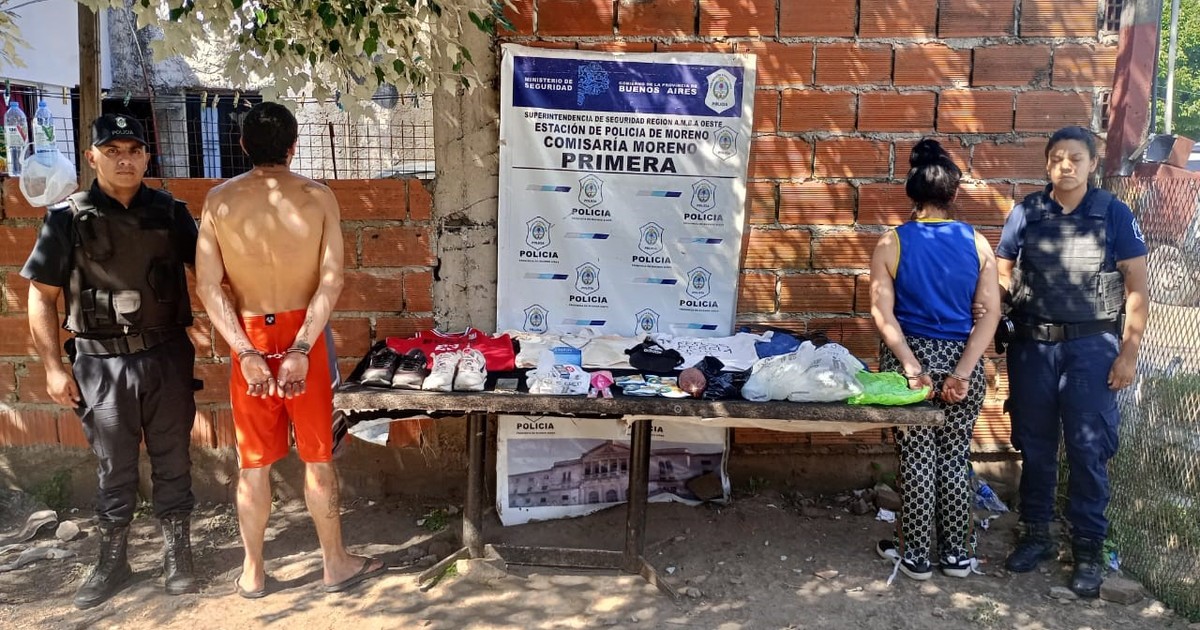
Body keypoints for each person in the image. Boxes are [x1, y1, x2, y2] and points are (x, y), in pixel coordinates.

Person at [195, 101, 385, 598]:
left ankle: (252, 572)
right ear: (293, 146)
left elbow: (209, 287)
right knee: (318, 457)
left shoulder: (219, 201)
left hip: (250, 335)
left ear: (242, 145)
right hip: (307, 335)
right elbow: (331, 281)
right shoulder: (318, 197)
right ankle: (335, 564)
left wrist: (245, 352)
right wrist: (301, 345)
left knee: (253, 463)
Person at [21, 114, 199, 608]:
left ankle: (177, 555)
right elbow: (41, 297)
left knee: (173, 458)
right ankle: (112, 560)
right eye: (113, 150)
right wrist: (53, 368)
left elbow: (210, 271)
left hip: (166, 356)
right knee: (113, 466)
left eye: (134, 150)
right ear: (92, 156)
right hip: (100, 363)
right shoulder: (65, 218)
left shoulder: (170, 213)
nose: (125, 159)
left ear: (147, 157)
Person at [996, 126, 1148, 597]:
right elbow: (1002, 270)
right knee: (1035, 446)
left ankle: (1087, 550)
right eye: (1057, 157)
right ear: (1047, 163)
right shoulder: (1026, 212)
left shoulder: (1113, 213)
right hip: (1033, 348)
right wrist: (996, 310)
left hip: (1091, 349)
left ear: (1092, 164)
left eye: (1076, 158)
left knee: (1088, 450)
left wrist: (1128, 354)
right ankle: (1036, 535)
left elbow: (1137, 287)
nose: (1066, 165)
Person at [869, 139, 1000, 581]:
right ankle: (957, 556)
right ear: (954, 194)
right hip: (962, 360)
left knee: (917, 457)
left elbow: (882, 314)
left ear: (912, 192)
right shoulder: (978, 243)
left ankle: (916, 557)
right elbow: (990, 314)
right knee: (955, 455)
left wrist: (911, 366)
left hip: (912, 363)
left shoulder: (891, 243)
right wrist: (963, 371)